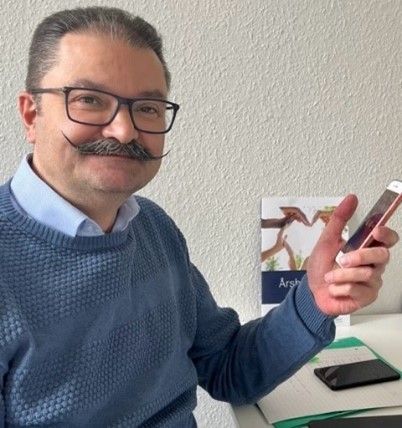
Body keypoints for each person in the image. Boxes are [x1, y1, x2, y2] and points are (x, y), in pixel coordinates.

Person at [0, 6, 398, 427]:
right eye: (89, 100)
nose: (124, 130)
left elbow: (228, 368)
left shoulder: (153, 227)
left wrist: (316, 298)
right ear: (31, 114)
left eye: (147, 108)